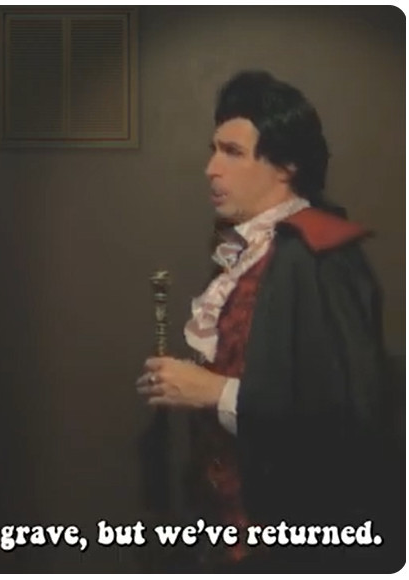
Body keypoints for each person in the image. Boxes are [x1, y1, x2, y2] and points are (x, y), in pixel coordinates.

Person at [135, 71, 400, 572]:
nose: (211, 168)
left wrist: (213, 392)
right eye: (213, 150)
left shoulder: (322, 254)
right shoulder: (250, 251)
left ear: (286, 165)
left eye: (232, 153)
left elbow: (351, 417)